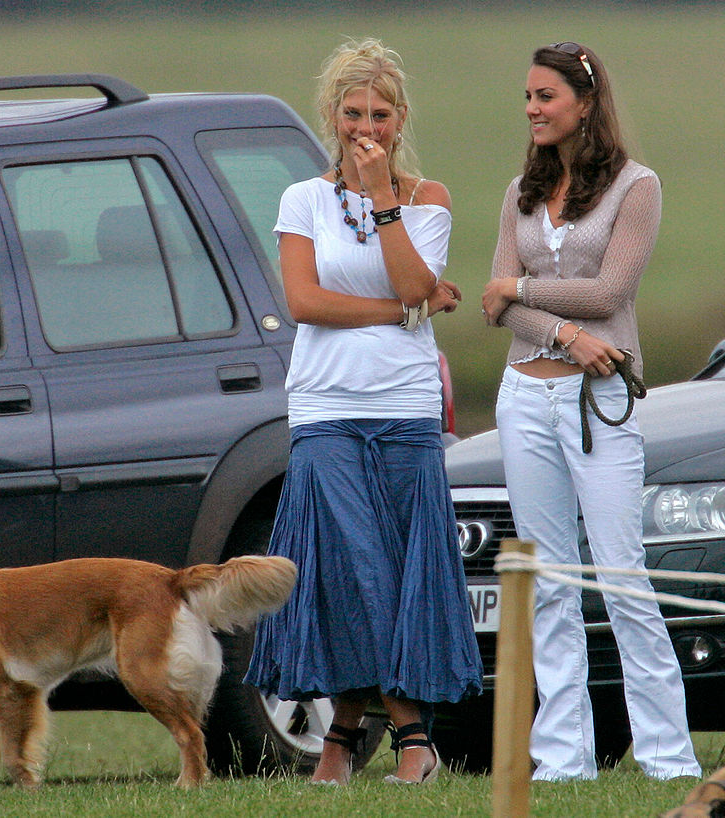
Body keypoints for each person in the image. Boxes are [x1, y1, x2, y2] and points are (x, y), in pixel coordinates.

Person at [244, 38, 482, 786]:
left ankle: (345, 737)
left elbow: (419, 279)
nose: (366, 126)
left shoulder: (427, 200)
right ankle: (412, 736)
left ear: (400, 116)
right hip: (326, 409)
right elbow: (305, 301)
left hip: (405, 409)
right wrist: (403, 309)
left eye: (380, 113)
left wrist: (383, 199)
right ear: (332, 115)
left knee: (399, 574)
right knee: (352, 570)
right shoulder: (302, 200)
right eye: (353, 112)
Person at [481, 42, 701, 781]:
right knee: (549, 579)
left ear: (585, 101)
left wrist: (525, 291)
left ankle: (669, 757)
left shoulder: (637, 187)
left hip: (600, 404)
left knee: (620, 574)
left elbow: (611, 293)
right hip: (525, 397)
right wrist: (566, 333)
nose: (533, 110)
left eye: (545, 96)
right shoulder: (519, 191)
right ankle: (563, 757)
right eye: (528, 97)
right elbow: (491, 304)